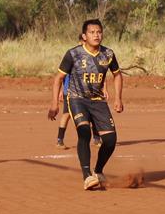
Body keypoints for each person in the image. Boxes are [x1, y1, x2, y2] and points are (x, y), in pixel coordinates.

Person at [47, 19, 123, 190]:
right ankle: (87, 176)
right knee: (84, 132)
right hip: (77, 99)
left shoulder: (108, 54)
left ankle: (98, 170)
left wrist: (118, 98)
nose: (96, 35)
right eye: (92, 32)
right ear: (84, 36)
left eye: (99, 32)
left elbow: (117, 75)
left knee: (110, 140)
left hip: (98, 101)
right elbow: (58, 78)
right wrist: (54, 104)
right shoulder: (73, 54)